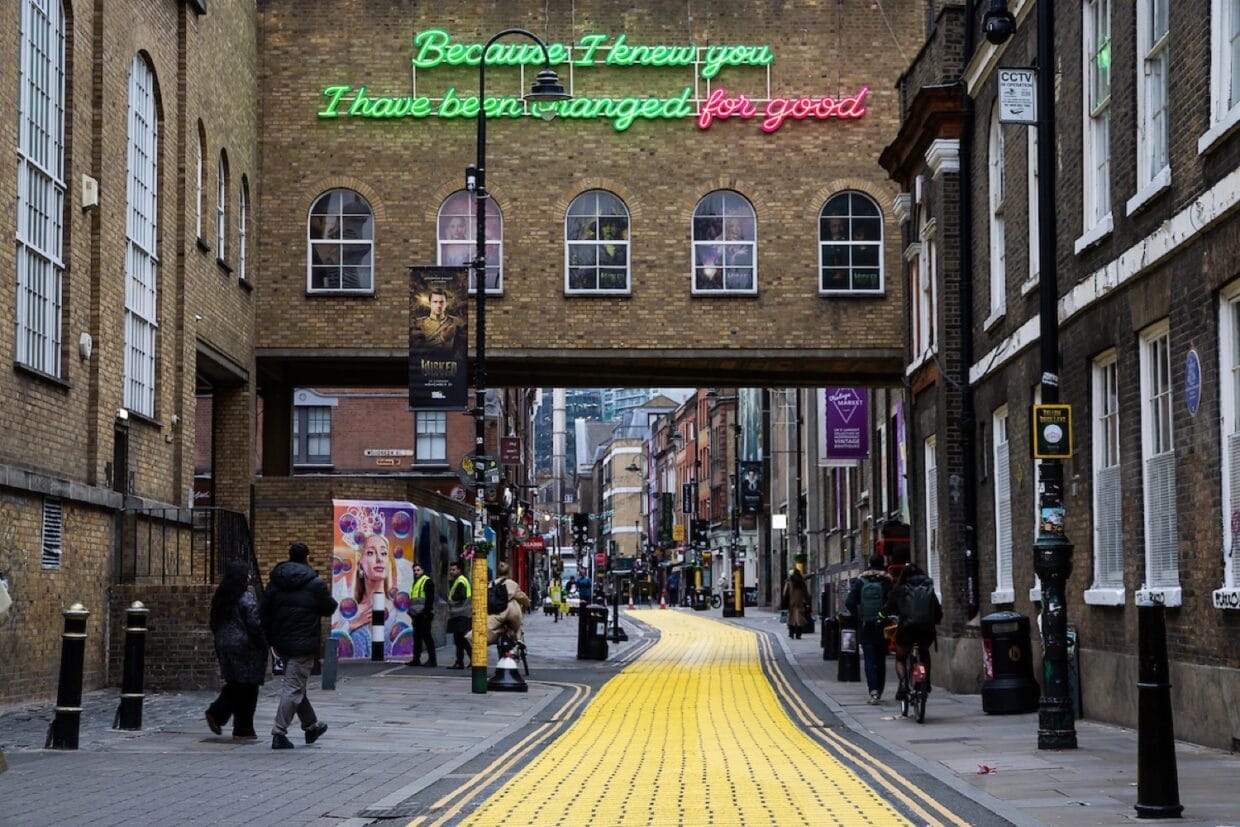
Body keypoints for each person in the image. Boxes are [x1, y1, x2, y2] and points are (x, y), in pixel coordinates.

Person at [262, 541, 337, 750]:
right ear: (307, 558)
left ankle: (311, 726)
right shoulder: (314, 583)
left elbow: (264, 611)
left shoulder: (275, 582)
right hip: (304, 643)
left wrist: (271, 639)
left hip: (282, 641)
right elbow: (329, 606)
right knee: (293, 687)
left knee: (296, 684)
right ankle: (279, 732)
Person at [205, 561, 267, 740]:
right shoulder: (245, 597)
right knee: (246, 686)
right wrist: (263, 642)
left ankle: (241, 727)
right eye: (247, 574)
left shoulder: (221, 597)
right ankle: (227, 719)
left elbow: (214, 622)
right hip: (245, 647)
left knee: (237, 682)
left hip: (225, 646)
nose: (249, 577)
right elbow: (254, 623)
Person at [886, 563, 943, 699]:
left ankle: (904, 683)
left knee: (900, 658)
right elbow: (937, 611)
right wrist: (936, 620)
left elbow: (889, 608)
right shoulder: (928, 588)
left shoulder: (900, 589)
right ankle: (925, 682)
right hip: (926, 631)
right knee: (924, 653)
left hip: (907, 631)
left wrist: (885, 616)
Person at [846, 554, 894, 704]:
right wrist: (886, 616)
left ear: (869, 564)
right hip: (882, 626)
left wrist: (858, 615)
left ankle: (872, 691)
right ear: (883, 565)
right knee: (880, 659)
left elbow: (849, 602)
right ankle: (879, 690)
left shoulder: (861, 581)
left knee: (869, 659)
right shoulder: (887, 582)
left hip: (866, 625)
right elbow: (893, 602)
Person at [347, 533, 400, 657]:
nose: (379, 559)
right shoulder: (350, 612)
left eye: (384, 553)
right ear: (360, 563)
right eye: (371, 553)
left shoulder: (397, 610)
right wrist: (353, 625)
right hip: (357, 673)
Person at [483, 562, 530, 646]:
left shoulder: (490, 584)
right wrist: (527, 603)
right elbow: (522, 597)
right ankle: (519, 639)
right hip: (511, 614)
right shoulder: (512, 584)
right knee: (518, 625)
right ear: (508, 572)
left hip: (496, 613)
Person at [407, 562, 437, 667]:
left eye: (418, 570)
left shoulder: (427, 581)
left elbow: (430, 598)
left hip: (424, 614)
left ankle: (432, 660)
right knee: (417, 637)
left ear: (423, 570)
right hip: (416, 614)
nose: (416, 572)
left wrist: (426, 612)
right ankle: (416, 659)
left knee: (427, 637)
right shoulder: (416, 582)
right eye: (414, 570)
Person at [444, 560, 472, 669]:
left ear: (459, 570)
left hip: (461, 614)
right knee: (459, 640)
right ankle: (459, 661)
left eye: (453, 569)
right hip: (459, 614)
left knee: (461, 639)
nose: (451, 572)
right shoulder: (459, 580)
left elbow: (461, 595)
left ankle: (466, 660)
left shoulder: (460, 581)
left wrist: (451, 600)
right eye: (450, 570)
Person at [782, 570, 811, 639]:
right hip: (800, 602)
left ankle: (791, 634)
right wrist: (807, 602)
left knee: (791, 618)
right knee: (799, 618)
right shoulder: (802, 583)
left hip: (791, 603)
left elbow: (785, 593)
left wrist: (785, 600)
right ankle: (798, 635)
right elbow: (806, 593)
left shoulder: (789, 582)